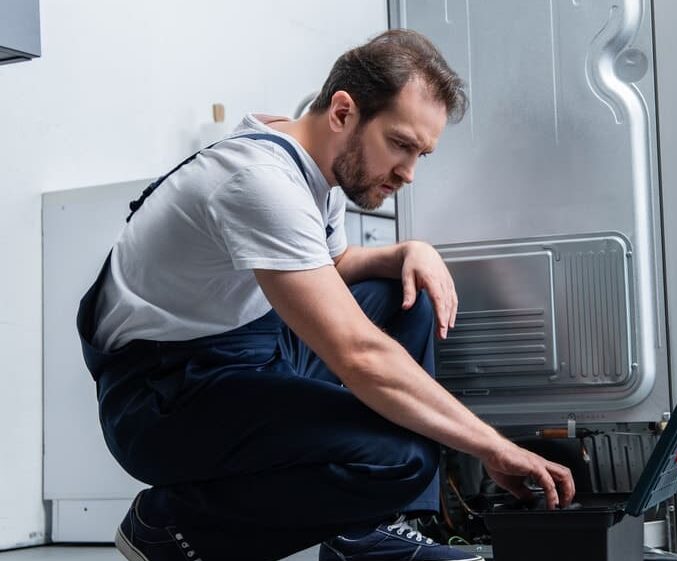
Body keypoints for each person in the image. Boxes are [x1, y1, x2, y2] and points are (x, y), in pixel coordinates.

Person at [77, 29, 575, 561]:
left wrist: (409, 251)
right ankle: (172, 529)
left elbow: (332, 265)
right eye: (400, 145)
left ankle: (369, 532)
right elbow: (358, 354)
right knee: (402, 456)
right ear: (343, 112)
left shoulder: (313, 167)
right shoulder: (258, 181)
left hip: (244, 359)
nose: (408, 172)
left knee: (404, 292)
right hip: (164, 402)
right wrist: (491, 445)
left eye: (421, 154)